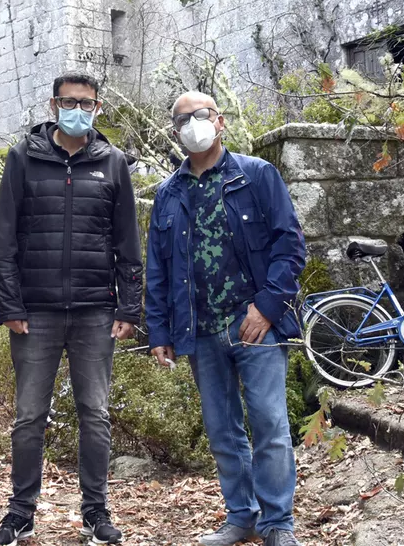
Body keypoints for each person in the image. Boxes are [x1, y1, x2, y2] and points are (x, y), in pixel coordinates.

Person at [0, 72, 143, 546]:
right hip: (35, 313)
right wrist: (9, 305)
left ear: (98, 108)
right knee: (29, 417)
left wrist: (128, 308)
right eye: (69, 102)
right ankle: (20, 514)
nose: (78, 110)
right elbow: (3, 240)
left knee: (95, 414)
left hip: (96, 311)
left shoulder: (113, 163)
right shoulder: (23, 158)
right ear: (53, 106)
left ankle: (96, 513)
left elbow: (128, 244)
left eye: (87, 103)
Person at [145, 91, 306, 546]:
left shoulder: (256, 175)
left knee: (270, 424)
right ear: (175, 132)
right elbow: (158, 269)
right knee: (222, 430)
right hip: (199, 328)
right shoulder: (168, 194)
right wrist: (159, 330)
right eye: (183, 120)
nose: (193, 124)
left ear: (220, 122)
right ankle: (242, 516)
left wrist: (267, 307)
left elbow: (290, 245)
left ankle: (278, 524)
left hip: (253, 324)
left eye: (202, 115)